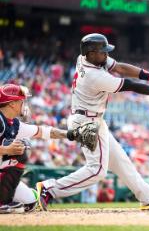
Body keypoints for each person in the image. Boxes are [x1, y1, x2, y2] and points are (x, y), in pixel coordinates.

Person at [37, 33, 149, 211]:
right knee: (97, 170)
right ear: (91, 53)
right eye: (102, 52)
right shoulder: (93, 75)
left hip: (91, 118)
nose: (106, 55)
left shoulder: (84, 58)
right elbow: (130, 85)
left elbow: (119, 67)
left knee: (121, 161)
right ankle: (49, 189)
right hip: (86, 122)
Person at [0, 84, 96, 214]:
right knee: (18, 151)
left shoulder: (13, 123)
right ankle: (2, 202)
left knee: (30, 202)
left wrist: (71, 134)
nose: (24, 104)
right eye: (21, 100)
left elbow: (44, 132)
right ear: (12, 103)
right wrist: (6, 150)